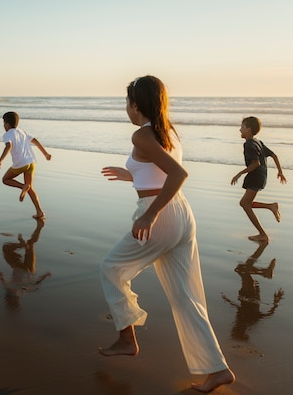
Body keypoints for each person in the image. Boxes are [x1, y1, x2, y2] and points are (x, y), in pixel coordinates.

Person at [99, 75, 235, 393]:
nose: (126, 108)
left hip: (160, 215)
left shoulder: (142, 135)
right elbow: (160, 171)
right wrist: (129, 174)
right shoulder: (168, 132)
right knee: (186, 298)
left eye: (128, 102)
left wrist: (150, 213)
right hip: (182, 216)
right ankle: (217, 370)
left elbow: (178, 173)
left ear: (137, 104)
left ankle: (126, 338)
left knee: (111, 268)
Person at [230, 116, 287, 242]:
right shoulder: (258, 142)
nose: (240, 130)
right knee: (244, 203)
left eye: (242, 127)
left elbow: (256, 164)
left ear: (249, 130)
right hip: (261, 176)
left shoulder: (249, 144)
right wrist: (280, 172)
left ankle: (263, 234)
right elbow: (274, 155)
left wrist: (239, 173)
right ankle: (271, 206)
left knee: (245, 204)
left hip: (256, 176)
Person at [0, 111, 52, 219]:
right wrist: (45, 153)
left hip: (20, 164)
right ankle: (40, 212)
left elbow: (8, 146)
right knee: (30, 188)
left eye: (4, 123)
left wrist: (0, 160)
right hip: (31, 162)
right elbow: (35, 140)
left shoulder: (7, 134)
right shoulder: (22, 132)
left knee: (5, 179)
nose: (3, 125)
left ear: (7, 124)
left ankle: (23, 186)